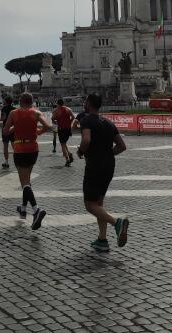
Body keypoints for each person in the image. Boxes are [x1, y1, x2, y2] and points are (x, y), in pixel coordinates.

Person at [77, 93, 129, 251]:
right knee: (99, 203)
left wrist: (81, 151)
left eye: (85, 101)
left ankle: (117, 223)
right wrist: (107, 154)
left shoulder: (86, 120)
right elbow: (122, 146)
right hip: (109, 166)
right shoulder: (109, 122)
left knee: (89, 205)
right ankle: (102, 240)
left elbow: (86, 139)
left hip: (94, 165)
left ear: (88, 103)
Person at [2, 92, 49, 230]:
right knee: (26, 181)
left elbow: (5, 132)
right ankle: (23, 209)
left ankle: (36, 210)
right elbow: (48, 126)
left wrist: (14, 127)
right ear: (32, 101)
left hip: (20, 148)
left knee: (25, 183)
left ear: (20, 101)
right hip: (33, 149)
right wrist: (38, 132)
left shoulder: (13, 113)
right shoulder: (36, 113)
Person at [52, 98, 76, 166]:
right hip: (68, 129)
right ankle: (69, 154)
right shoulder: (68, 109)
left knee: (62, 144)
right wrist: (69, 122)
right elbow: (73, 117)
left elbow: (53, 119)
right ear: (63, 103)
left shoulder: (56, 110)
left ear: (57, 104)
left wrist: (56, 121)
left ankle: (67, 159)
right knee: (64, 143)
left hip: (61, 129)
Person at [0, 96, 15, 169]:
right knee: (14, 145)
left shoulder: (4, 108)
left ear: (5, 101)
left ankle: (6, 162)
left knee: (5, 146)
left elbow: (3, 118)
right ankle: (18, 159)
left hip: (5, 128)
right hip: (13, 128)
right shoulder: (15, 109)